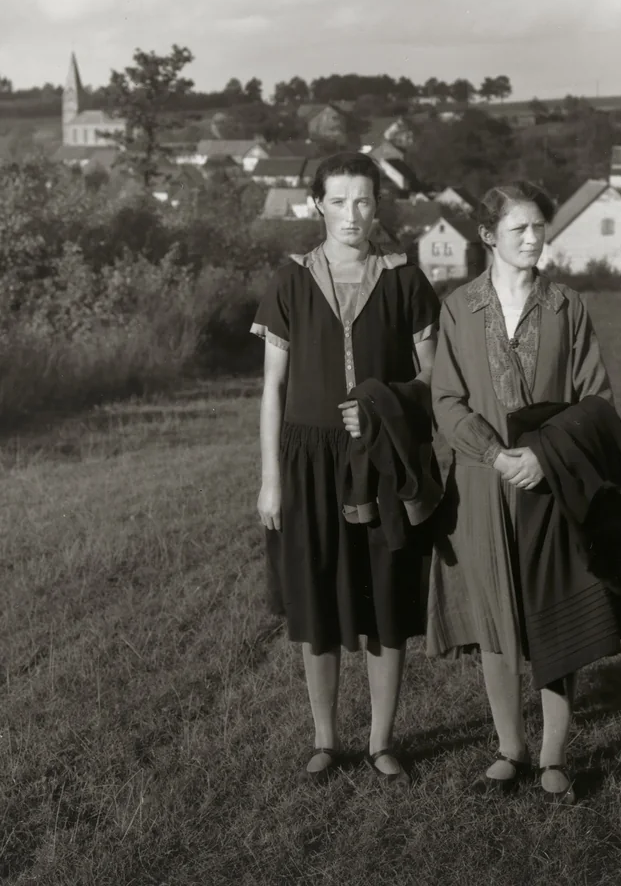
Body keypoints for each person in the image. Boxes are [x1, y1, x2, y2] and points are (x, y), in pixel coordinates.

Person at [427, 180, 621, 802]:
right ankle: (510, 749)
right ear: (487, 237)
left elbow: (596, 400)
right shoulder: (457, 309)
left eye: (540, 227)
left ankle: (554, 754)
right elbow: (446, 400)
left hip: (553, 485)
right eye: (520, 230)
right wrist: (495, 455)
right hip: (481, 491)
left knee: (558, 616)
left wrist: (542, 455)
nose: (535, 239)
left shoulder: (568, 306)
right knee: (496, 619)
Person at [253, 152, 440, 785]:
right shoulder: (291, 280)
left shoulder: (405, 280)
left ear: (376, 207)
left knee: (385, 598)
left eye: (363, 201)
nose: (352, 214)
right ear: (317, 206)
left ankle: (383, 740)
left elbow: (433, 380)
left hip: (383, 462)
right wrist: (271, 479)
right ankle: (327, 739)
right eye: (339, 201)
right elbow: (273, 390)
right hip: (308, 462)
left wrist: (385, 410)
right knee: (319, 602)